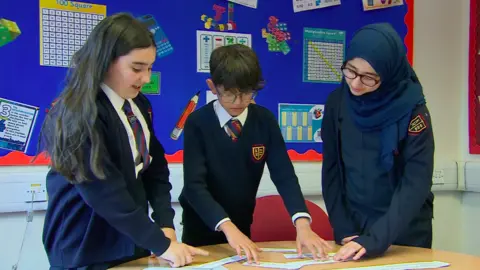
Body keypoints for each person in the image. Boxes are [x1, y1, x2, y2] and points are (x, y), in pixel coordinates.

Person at [36, 13, 208, 270]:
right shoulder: (79, 113)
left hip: (131, 240)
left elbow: (155, 168)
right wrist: (160, 244)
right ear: (105, 62)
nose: (146, 78)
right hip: (85, 246)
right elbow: (104, 191)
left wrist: (165, 224)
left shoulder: (138, 105)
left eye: (150, 68)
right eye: (137, 68)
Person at [179, 44, 332, 264]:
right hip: (201, 227)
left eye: (247, 93)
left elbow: (284, 175)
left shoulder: (264, 121)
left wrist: (302, 224)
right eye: (230, 94)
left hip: (242, 225)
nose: (239, 102)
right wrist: (228, 228)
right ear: (213, 86)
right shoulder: (197, 123)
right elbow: (194, 187)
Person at [321, 23, 435, 262]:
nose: (355, 83)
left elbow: (416, 182)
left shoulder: (413, 111)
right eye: (350, 70)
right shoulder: (337, 102)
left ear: (389, 73)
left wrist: (377, 238)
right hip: (353, 228)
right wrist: (342, 226)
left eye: (369, 77)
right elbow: (332, 169)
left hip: (403, 231)